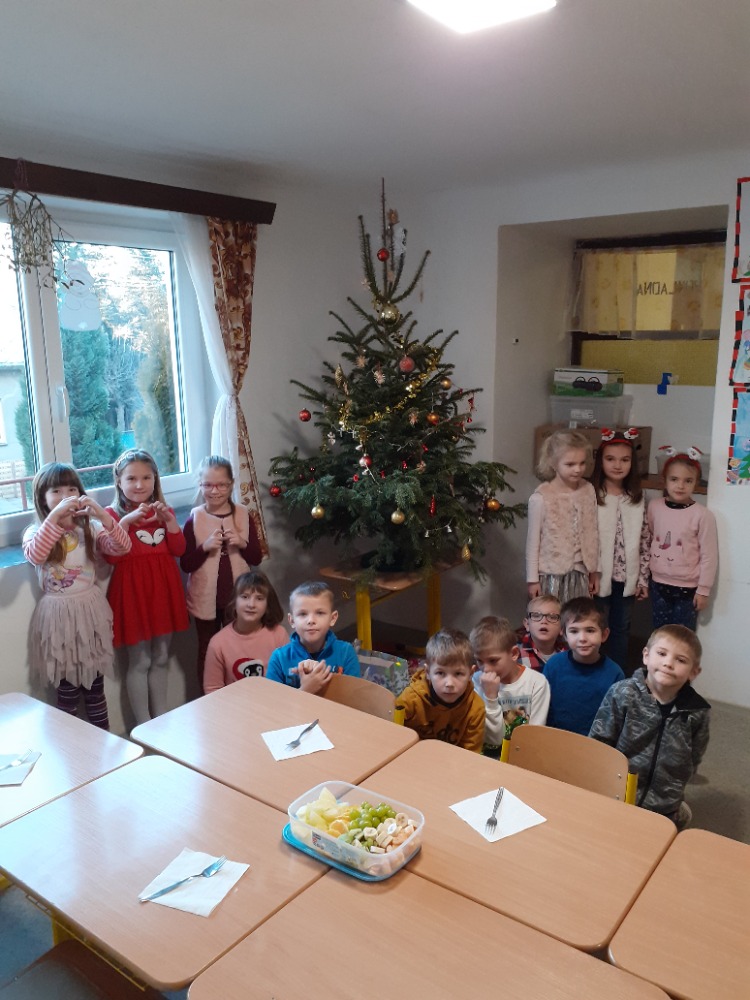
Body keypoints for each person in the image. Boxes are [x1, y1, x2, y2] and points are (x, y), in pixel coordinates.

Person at [23, 463, 131, 729]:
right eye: (56, 491)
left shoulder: (90, 527)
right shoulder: (36, 531)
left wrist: (102, 515)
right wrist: (54, 518)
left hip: (89, 612)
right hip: (58, 617)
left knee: (95, 688)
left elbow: (122, 547)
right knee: (67, 691)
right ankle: (71, 747)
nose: (66, 496)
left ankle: (103, 741)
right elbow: (36, 555)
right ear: (42, 499)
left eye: (72, 489)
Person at [590, 624, 710, 830]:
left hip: (665, 804)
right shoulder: (623, 693)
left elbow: (694, 756)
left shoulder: (697, 711)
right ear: (646, 656)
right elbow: (599, 742)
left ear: (694, 672)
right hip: (618, 794)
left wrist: (675, 789)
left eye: (680, 660)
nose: (668, 663)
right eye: (662, 654)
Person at [104, 449, 189, 724]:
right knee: (139, 660)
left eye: (146, 478)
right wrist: (126, 522)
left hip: (163, 591)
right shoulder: (111, 515)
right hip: (132, 594)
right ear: (119, 481)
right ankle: (143, 723)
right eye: (131, 478)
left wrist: (170, 521)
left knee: (161, 656)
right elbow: (111, 557)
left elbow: (179, 549)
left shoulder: (165, 511)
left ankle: (161, 718)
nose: (139, 485)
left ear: (155, 480)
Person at [181, 456, 264, 687]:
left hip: (237, 599)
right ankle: (209, 698)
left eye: (221, 485)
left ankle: (238, 693)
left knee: (237, 648)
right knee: (207, 650)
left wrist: (242, 543)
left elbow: (256, 558)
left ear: (231, 484)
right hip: (204, 598)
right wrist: (204, 548)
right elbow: (186, 564)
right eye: (208, 485)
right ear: (200, 485)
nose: (214, 491)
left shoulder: (243, 515)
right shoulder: (195, 518)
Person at [590, 428, 650, 670]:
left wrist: (642, 578)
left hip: (626, 578)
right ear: (601, 461)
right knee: (595, 626)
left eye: (624, 460)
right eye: (610, 459)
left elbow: (644, 540)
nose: (617, 465)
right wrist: (589, 572)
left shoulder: (636, 497)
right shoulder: (592, 494)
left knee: (621, 628)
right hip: (598, 577)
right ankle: (594, 672)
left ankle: (617, 676)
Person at [526, 429, 599, 604]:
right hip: (551, 575)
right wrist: (532, 580)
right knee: (553, 615)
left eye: (582, 463)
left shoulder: (588, 490)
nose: (578, 469)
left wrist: (595, 571)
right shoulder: (541, 497)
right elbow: (533, 542)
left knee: (578, 617)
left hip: (581, 574)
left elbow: (593, 533)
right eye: (570, 464)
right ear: (553, 463)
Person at [648, 451, 718, 631]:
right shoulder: (654, 506)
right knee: (660, 632)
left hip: (687, 589)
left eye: (688, 481)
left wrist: (703, 590)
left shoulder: (703, 515)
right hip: (658, 584)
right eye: (674, 479)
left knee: (682, 635)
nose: (680, 486)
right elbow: (649, 537)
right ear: (664, 480)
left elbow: (709, 556)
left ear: (696, 483)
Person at [543, 597, 624, 736]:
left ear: (604, 635)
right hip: (555, 739)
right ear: (564, 634)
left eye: (590, 630)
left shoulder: (615, 674)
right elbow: (545, 707)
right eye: (574, 631)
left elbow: (616, 721)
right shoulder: (554, 665)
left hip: (595, 743)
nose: (582, 638)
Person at [470, 616, 550, 757]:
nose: (485, 669)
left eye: (493, 660)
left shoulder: (537, 682)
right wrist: (490, 698)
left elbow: (535, 736)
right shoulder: (477, 681)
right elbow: (494, 740)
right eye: (479, 661)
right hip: (487, 756)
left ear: (513, 654)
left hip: (523, 756)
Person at [397, 628, 485, 752]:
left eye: (458, 674)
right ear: (428, 672)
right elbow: (392, 736)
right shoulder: (409, 700)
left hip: (452, 761)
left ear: (471, 673)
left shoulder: (476, 708)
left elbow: (470, 753)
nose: (449, 684)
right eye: (440, 673)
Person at [266, 581, 359, 694]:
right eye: (303, 614)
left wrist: (324, 681)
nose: (311, 620)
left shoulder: (346, 653)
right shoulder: (279, 658)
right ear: (292, 620)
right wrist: (306, 689)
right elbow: (271, 702)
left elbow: (354, 698)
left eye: (320, 613)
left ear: (332, 618)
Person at [203, 570, 288, 694]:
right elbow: (212, 689)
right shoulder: (217, 643)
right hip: (233, 704)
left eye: (259, 598)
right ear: (234, 602)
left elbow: (288, 680)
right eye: (245, 597)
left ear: (267, 605)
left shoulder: (279, 635)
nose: (251, 604)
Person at [515, 593, 567, 671]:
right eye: (536, 616)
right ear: (527, 624)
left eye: (552, 617)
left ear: (561, 627)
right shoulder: (514, 652)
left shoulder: (569, 654)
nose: (544, 621)